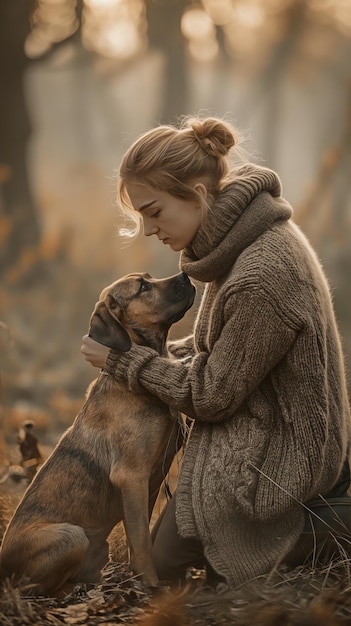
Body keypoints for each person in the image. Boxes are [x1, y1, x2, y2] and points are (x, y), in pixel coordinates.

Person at [81, 116, 351, 588]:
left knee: (173, 563)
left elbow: (211, 394)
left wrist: (126, 363)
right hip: (256, 434)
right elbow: (220, 349)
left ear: (199, 196)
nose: (148, 229)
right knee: (167, 559)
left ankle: (331, 515)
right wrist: (139, 353)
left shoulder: (260, 274)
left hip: (283, 457)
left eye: (155, 211)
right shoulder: (236, 245)